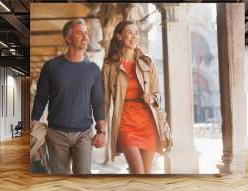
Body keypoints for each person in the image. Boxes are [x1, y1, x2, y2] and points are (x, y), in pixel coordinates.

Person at [31, 19, 106, 174]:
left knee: (83, 177)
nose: (85, 37)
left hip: (84, 134)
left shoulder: (93, 69)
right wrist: (32, 126)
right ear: (67, 37)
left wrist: (102, 131)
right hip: (56, 133)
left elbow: (98, 101)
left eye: (86, 33)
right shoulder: (51, 67)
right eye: (80, 33)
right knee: (60, 180)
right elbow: (40, 98)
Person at [102, 21, 163, 174]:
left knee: (146, 174)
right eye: (129, 32)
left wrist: (152, 98)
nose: (134, 36)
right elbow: (104, 100)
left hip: (148, 122)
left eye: (136, 33)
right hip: (125, 123)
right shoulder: (110, 65)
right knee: (138, 173)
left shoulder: (147, 62)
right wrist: (101, 129)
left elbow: (158, 94)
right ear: (119, 36)